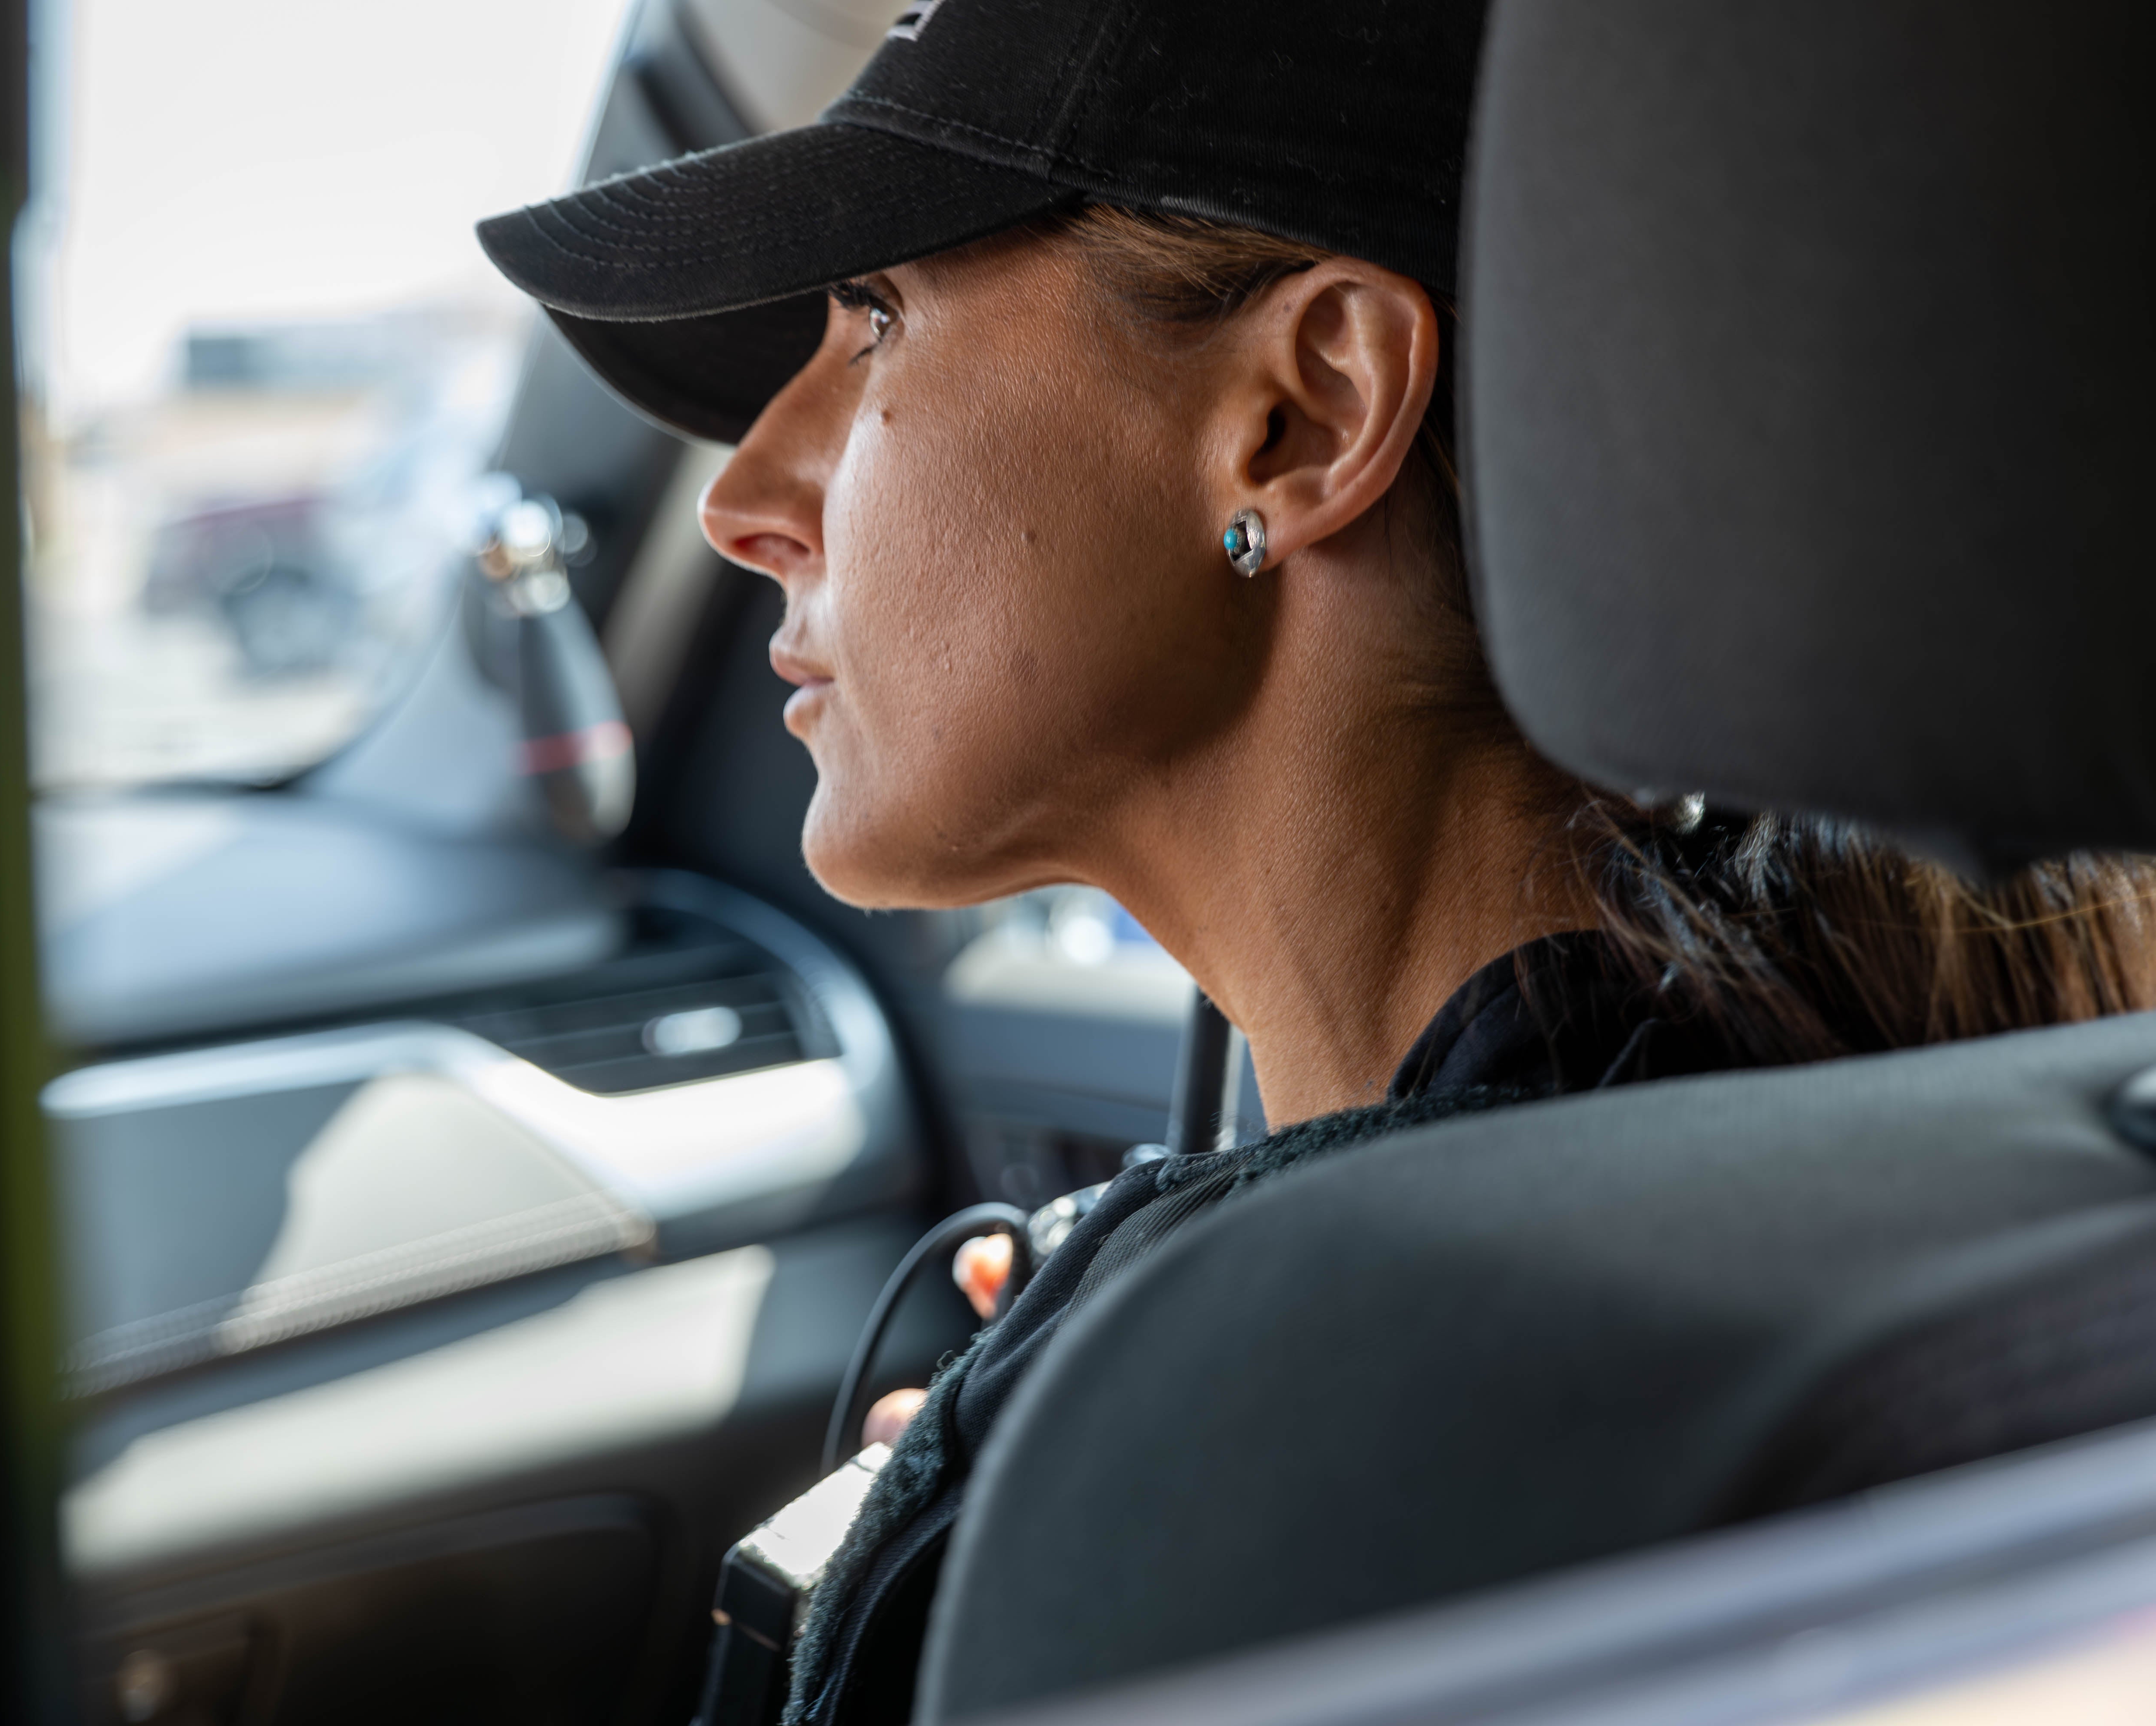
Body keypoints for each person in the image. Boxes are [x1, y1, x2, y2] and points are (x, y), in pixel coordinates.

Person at [479, 1, 2156, 1718]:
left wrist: (1120, 1484)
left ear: (1306, 413)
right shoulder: (1968, 1183)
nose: (739, 495)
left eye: (877, 318)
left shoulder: (1319, 1434)